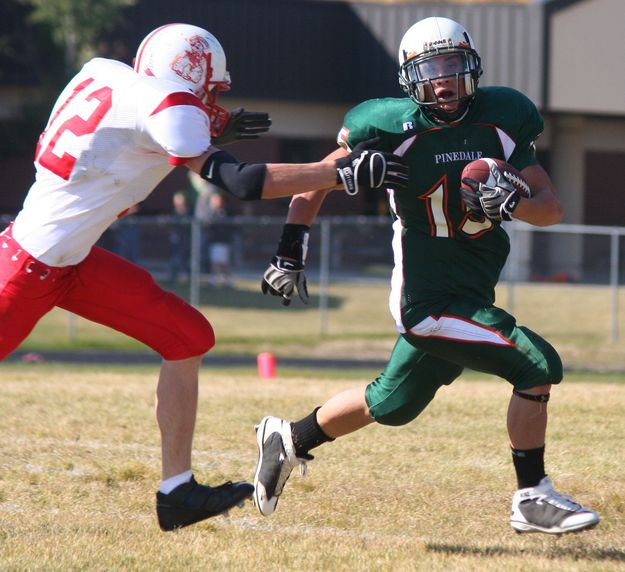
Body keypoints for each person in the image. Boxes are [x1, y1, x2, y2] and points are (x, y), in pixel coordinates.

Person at [0, 23, 408, 531]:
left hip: (68, 260)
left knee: (187, 335)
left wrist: (208, 128)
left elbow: (129, 132)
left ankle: (177, 493)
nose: (213, 100)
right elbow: (241, 181)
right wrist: (338, 174)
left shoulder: (102, 73)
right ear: (190, 76)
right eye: (210, 89)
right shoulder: (172, 109)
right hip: (28, 266)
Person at [254, 16, 600, 535]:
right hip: (427, 299)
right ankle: (532, 497)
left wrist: (515, 203)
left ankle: (289, 439)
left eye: (453, 66)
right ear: (410, 77)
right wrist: (290, 250)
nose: (444, 79)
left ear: (472, 66)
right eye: (432, 69)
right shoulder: (386, 126)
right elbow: (316, 182)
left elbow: (552, 208)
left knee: (391, 404)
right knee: (535, 365)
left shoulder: (504, 116)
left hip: (473, 287)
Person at [168, 191, 192, 283]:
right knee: (175, 258)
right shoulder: (174, 212)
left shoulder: (189, 211)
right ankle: (173, 278)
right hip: (176, 239)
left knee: (185, 259)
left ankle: (188, 278)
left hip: (186, 239)